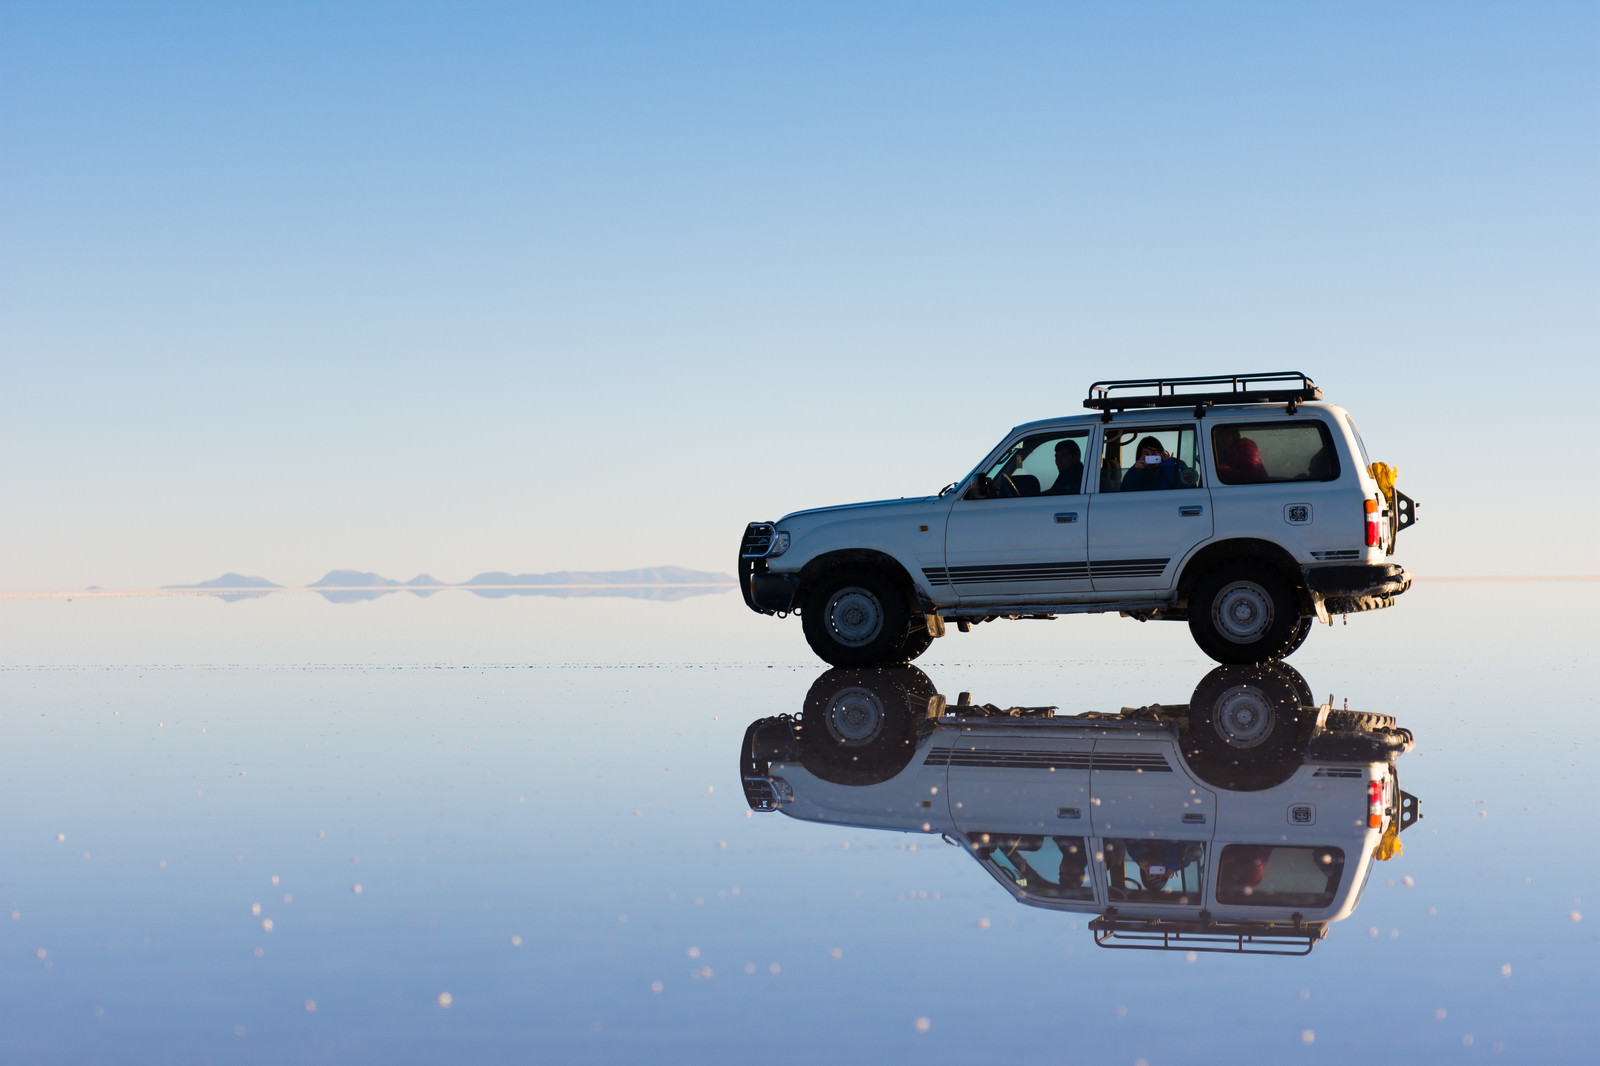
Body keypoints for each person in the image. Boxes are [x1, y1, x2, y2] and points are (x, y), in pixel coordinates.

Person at [1120, 436, 1188, 492]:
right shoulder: (1136, 473)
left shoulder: (1175, 466)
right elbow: (1125, 492)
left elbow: (1186, 489)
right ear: (1140, 457)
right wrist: (1135, 472)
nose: (1150, 457)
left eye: (1154, 453)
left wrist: (1169, 467)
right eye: (1146, 454)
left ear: (1161, 454)